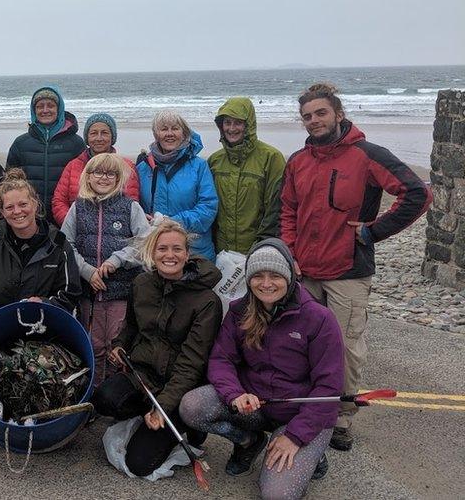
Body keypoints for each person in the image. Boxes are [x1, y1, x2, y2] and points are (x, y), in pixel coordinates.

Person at [281, 83, 431, 451]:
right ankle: (306, 410)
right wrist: (290, 254)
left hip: (348, 270)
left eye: (320, 113)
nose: (314, 121)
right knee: (300, 344)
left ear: (338, 113)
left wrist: (373, 232)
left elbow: (417, 193)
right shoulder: (298, 161)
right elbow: (287, 210)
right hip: (305, 271)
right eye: (307, 116)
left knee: (345, 348)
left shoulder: (366, 155)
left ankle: (341, 419)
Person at [180, 239, 344, 499]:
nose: (266, 283)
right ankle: (248, 441)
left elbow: (329, 388)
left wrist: (295, 436)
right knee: (192, 406)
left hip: (300, 415)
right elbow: (222, 359)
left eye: (275, 275)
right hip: (256, 406)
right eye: (258, 275)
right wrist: (235, 394)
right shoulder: (238, 312)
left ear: (289, 276)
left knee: (277, 495)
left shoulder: (319, 318)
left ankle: (311, 450)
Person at [95, 219, 223, 478]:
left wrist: (163, 406)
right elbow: (131, 326)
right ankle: (147, 413)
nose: (169, 255)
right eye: (162, 249)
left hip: (179, 385)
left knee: (139, 464)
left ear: (187, 255)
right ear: (152, 253)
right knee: (103, 399)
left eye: (177, 249)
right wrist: (120, 345)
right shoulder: (142, 284)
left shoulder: (207, 301)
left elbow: (192, 363)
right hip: (142, 374)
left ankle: (186, 423)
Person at [60, 153, 151, 385]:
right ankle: (93, 387)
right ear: (88, 177)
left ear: (119, 178)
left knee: (115, 342)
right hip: (88, 292)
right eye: (98, 172)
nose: (104, 177)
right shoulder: (77, 208)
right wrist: (87, 272)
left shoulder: (130, 207)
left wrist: (117, 260)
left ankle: (114, 390)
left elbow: (144, 243)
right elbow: (65, 244)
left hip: (120, 291)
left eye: (111, 173)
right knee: (94, 343)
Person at [0, 169, 81, 319]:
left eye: (23, 204)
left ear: (35, 204)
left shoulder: (58, 244)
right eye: (9, 207)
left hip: (44, 327)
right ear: (2, 212)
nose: (17, 211)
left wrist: (44, 303)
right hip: (0, 328)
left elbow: (70, 295)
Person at [136, 109, 219, 261]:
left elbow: (208, 207)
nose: (169, 133)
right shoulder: (143, 168)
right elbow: (135, 206)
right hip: (156, 249)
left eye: (175, 128)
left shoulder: (199, 166)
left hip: (195, 250)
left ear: (184, 133)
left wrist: (173, 222)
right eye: (164, 129)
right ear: (156, 134)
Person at [208, 97, 286, 254]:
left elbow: (275, 209)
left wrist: (262, 245)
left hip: (257, 249)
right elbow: (210, 207)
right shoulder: (215, 160)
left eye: (238, 123)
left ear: (248, 124)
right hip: (221, 252)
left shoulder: (271, 158)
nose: (231, 128)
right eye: (227, 123)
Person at [6, 86, 86, 224]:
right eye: (40, 106)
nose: (45, 110)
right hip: (29, 218)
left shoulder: (76, 143)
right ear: (34, 110)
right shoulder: (21, 143)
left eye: (50, 105)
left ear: (59, 109)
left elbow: (85, 183)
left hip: (65, 216)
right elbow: (9, 183)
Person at [52, 113, 140, 226]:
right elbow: (59, 201)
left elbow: (132, 204)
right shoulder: (73, 166)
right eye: (93, 133)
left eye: (104, 133)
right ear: (87, 138)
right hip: (79, 233)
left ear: (112, 137)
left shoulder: (127, 167)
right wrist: (73, 225)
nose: (99, 138)